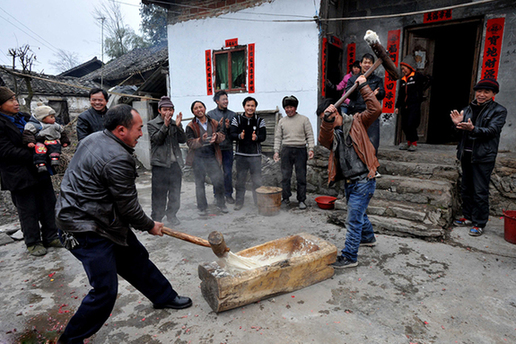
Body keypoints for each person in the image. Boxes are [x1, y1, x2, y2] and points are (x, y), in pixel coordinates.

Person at [55, 104, 192, 344]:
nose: (141, 134)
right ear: (121, 130)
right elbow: (129, 208)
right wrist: (150, 225)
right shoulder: (118, 159)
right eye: (139, 129)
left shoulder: (95, 138)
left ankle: (163, 296)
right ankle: (70, 339)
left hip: (103, 219)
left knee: (135, 257)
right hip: (84, 228)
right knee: (105, 289)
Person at [318, 75, 381, 268]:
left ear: (336, 112)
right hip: (349, 182)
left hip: (364, 179)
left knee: (353, 219)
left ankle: (350, 256)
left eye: (326, 118)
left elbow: (376, 109)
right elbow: (323, 140)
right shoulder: (332, 134)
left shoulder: (357, 122)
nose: (325, 121)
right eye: (322, 120)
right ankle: (368, 237)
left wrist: (364, 87)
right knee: (358, 213)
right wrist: (327, 123)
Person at [0, 87, 62, 256]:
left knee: (48, 204)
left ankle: (51, 236)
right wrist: (36, 153)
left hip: (39, 169)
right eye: (10, 100)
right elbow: (5, 151)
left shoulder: (26, 118)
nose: (16, 103)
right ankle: (33, 242)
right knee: (28, 209)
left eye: (15, 98)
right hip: (18, 174)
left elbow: (43, 132)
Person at [450, 78, 507, 237]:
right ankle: (468, 216)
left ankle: (479, 222)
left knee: (480, 190)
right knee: (466, 187)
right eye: (479, 91)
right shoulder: (467, 109)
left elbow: (492, 131)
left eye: (486, 92)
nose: (481, 95)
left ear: (493, 94)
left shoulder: (499, 111)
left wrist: (473, 129)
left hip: (483, 156)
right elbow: (457, 134)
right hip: (466, 154)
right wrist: (457, 125)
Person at [147, 96, 186, 226]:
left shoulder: (175, 123)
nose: (168, 112)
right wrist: (165, 125)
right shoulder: (152, 124)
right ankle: (157, 218)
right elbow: (157, 140)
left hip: (175, 164)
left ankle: (172, 215)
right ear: (159, 110)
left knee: (175, 192)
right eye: (165, 110)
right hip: (160, 165)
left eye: (170, 109)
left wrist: (179, 126)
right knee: (159, 193)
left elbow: (182, 140)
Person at [185, 100, 228, 216]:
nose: (199, 110)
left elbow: (222, 135)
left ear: (204, 108)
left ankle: (221, 203)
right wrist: (201, 140)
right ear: (193, 111)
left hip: (212, 156)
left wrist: (217, 136)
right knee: (199, 183)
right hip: (198, 158)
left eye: (200, 107)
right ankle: (202, 207)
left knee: (218, 180)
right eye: (196, 108)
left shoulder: (213, 123)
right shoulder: (190, 126)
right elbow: (189, 142)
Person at [273, 95, 315, 210]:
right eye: (286, 107)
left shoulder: (304, 119)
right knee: (285, 176)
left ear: (295, 108)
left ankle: (301, 200)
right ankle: (286, 198)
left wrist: (311, 149)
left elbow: (310, 135)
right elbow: (278, 138)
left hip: (300, 150)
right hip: (286, 150)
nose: (289, 109)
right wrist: (276, 151)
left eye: (291, 107)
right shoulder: (282, 121)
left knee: (301, 176)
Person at [230, 97, 266, 211]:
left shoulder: (260, 120)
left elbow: (264, 136)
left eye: (252, 106)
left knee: (257, 180)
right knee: (240, 180)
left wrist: (257, 138)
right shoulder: (237, 119)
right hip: (241, 155)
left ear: (255, 107)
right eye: (248, 105)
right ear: (244, 106)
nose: (250, 108)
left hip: (255, 156)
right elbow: (232, 134)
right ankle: (239, 202)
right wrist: (239, 136)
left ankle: (258, 202)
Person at [345, 53, 385, 154]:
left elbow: (383, 93)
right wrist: (358, 86)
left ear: (373, 65)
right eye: (365, 62)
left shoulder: (377, 80)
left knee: (372, 142)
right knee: (355, 141)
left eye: (369, 63)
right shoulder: (353, 79)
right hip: (355, 113)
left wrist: (377, 93)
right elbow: (348, 94)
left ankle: (372, 167)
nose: (367, 65)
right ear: (361, 64)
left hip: (371, 114)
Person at [207, 90, 237, 204]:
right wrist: (217, 126)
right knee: (216, 173)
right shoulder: (210, 115)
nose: (226, 101)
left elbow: (235, 134)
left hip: (227, 148)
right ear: (217, 101)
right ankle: (217, 195)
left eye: (227, 99)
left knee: (228, 172)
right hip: (215, 149)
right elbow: (209, 132)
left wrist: (229, 128)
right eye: (223, 99)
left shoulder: (232, 115)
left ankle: (228, 194)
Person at [22, 103, 70, 173]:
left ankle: (55, 158)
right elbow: (28, 134)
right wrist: (30, 142)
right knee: (39, 151)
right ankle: (40, 164)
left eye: (54, 116)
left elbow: (62, 133)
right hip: (40, 141)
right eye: (51, 117)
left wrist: (64, 141)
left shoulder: (55, 125)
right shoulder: (34, 125)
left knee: (55, 146)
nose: (54, 118)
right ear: (42, 117)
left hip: (52, 140)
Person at [395, 55, 429, 152]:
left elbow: (428, 80)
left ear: (409, 67)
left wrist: (421, 92)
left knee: (411, 123)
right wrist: (397, 106)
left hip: (414, 105)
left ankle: (414, 142)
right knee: (405, 125)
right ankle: (408, 142)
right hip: (405, 106)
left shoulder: (417, 76)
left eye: (404, 69)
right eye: (402, 69)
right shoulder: (403, 80)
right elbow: (401, 94)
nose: (403, 71)